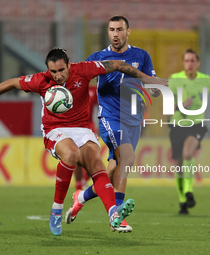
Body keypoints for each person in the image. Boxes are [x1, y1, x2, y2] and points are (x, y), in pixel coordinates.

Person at [0, 48, 159, 236]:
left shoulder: (83, 70)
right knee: (71, 154)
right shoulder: (42, 80)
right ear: (48, 70)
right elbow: (13, 83)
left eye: (61, 70)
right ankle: (56, 210)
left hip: (82, 129)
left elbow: (117, 64)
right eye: (53, 71)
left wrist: (147, 79)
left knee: (98, 166)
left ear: (69, 64)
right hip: (55, 129)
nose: (58, 76)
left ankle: (113, 214)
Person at [65, 15, 166, 233]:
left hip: (134, 120)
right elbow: (79, 79)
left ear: (128, 31)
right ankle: (117, 215)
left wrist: (155, 89)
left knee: (115, 169)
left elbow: (152, 82)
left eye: (119, 29)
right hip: (109, 118)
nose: (115, 34)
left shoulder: (142, 56)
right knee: (127, 158)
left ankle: (81, 197)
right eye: (111, 30)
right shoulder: (98, 57)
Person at [168, 49, 210, 215]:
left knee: (188, 154)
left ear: (198, 63)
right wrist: (182, 105)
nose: (190, 64)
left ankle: (189, 191)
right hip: (177, 124)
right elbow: (168, 107)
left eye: (192, 61)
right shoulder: (175, 80)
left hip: (196, 124)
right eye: (187, 61)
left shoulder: (207, 80)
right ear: (183, 63)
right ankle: (183, 201)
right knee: (178, 165)